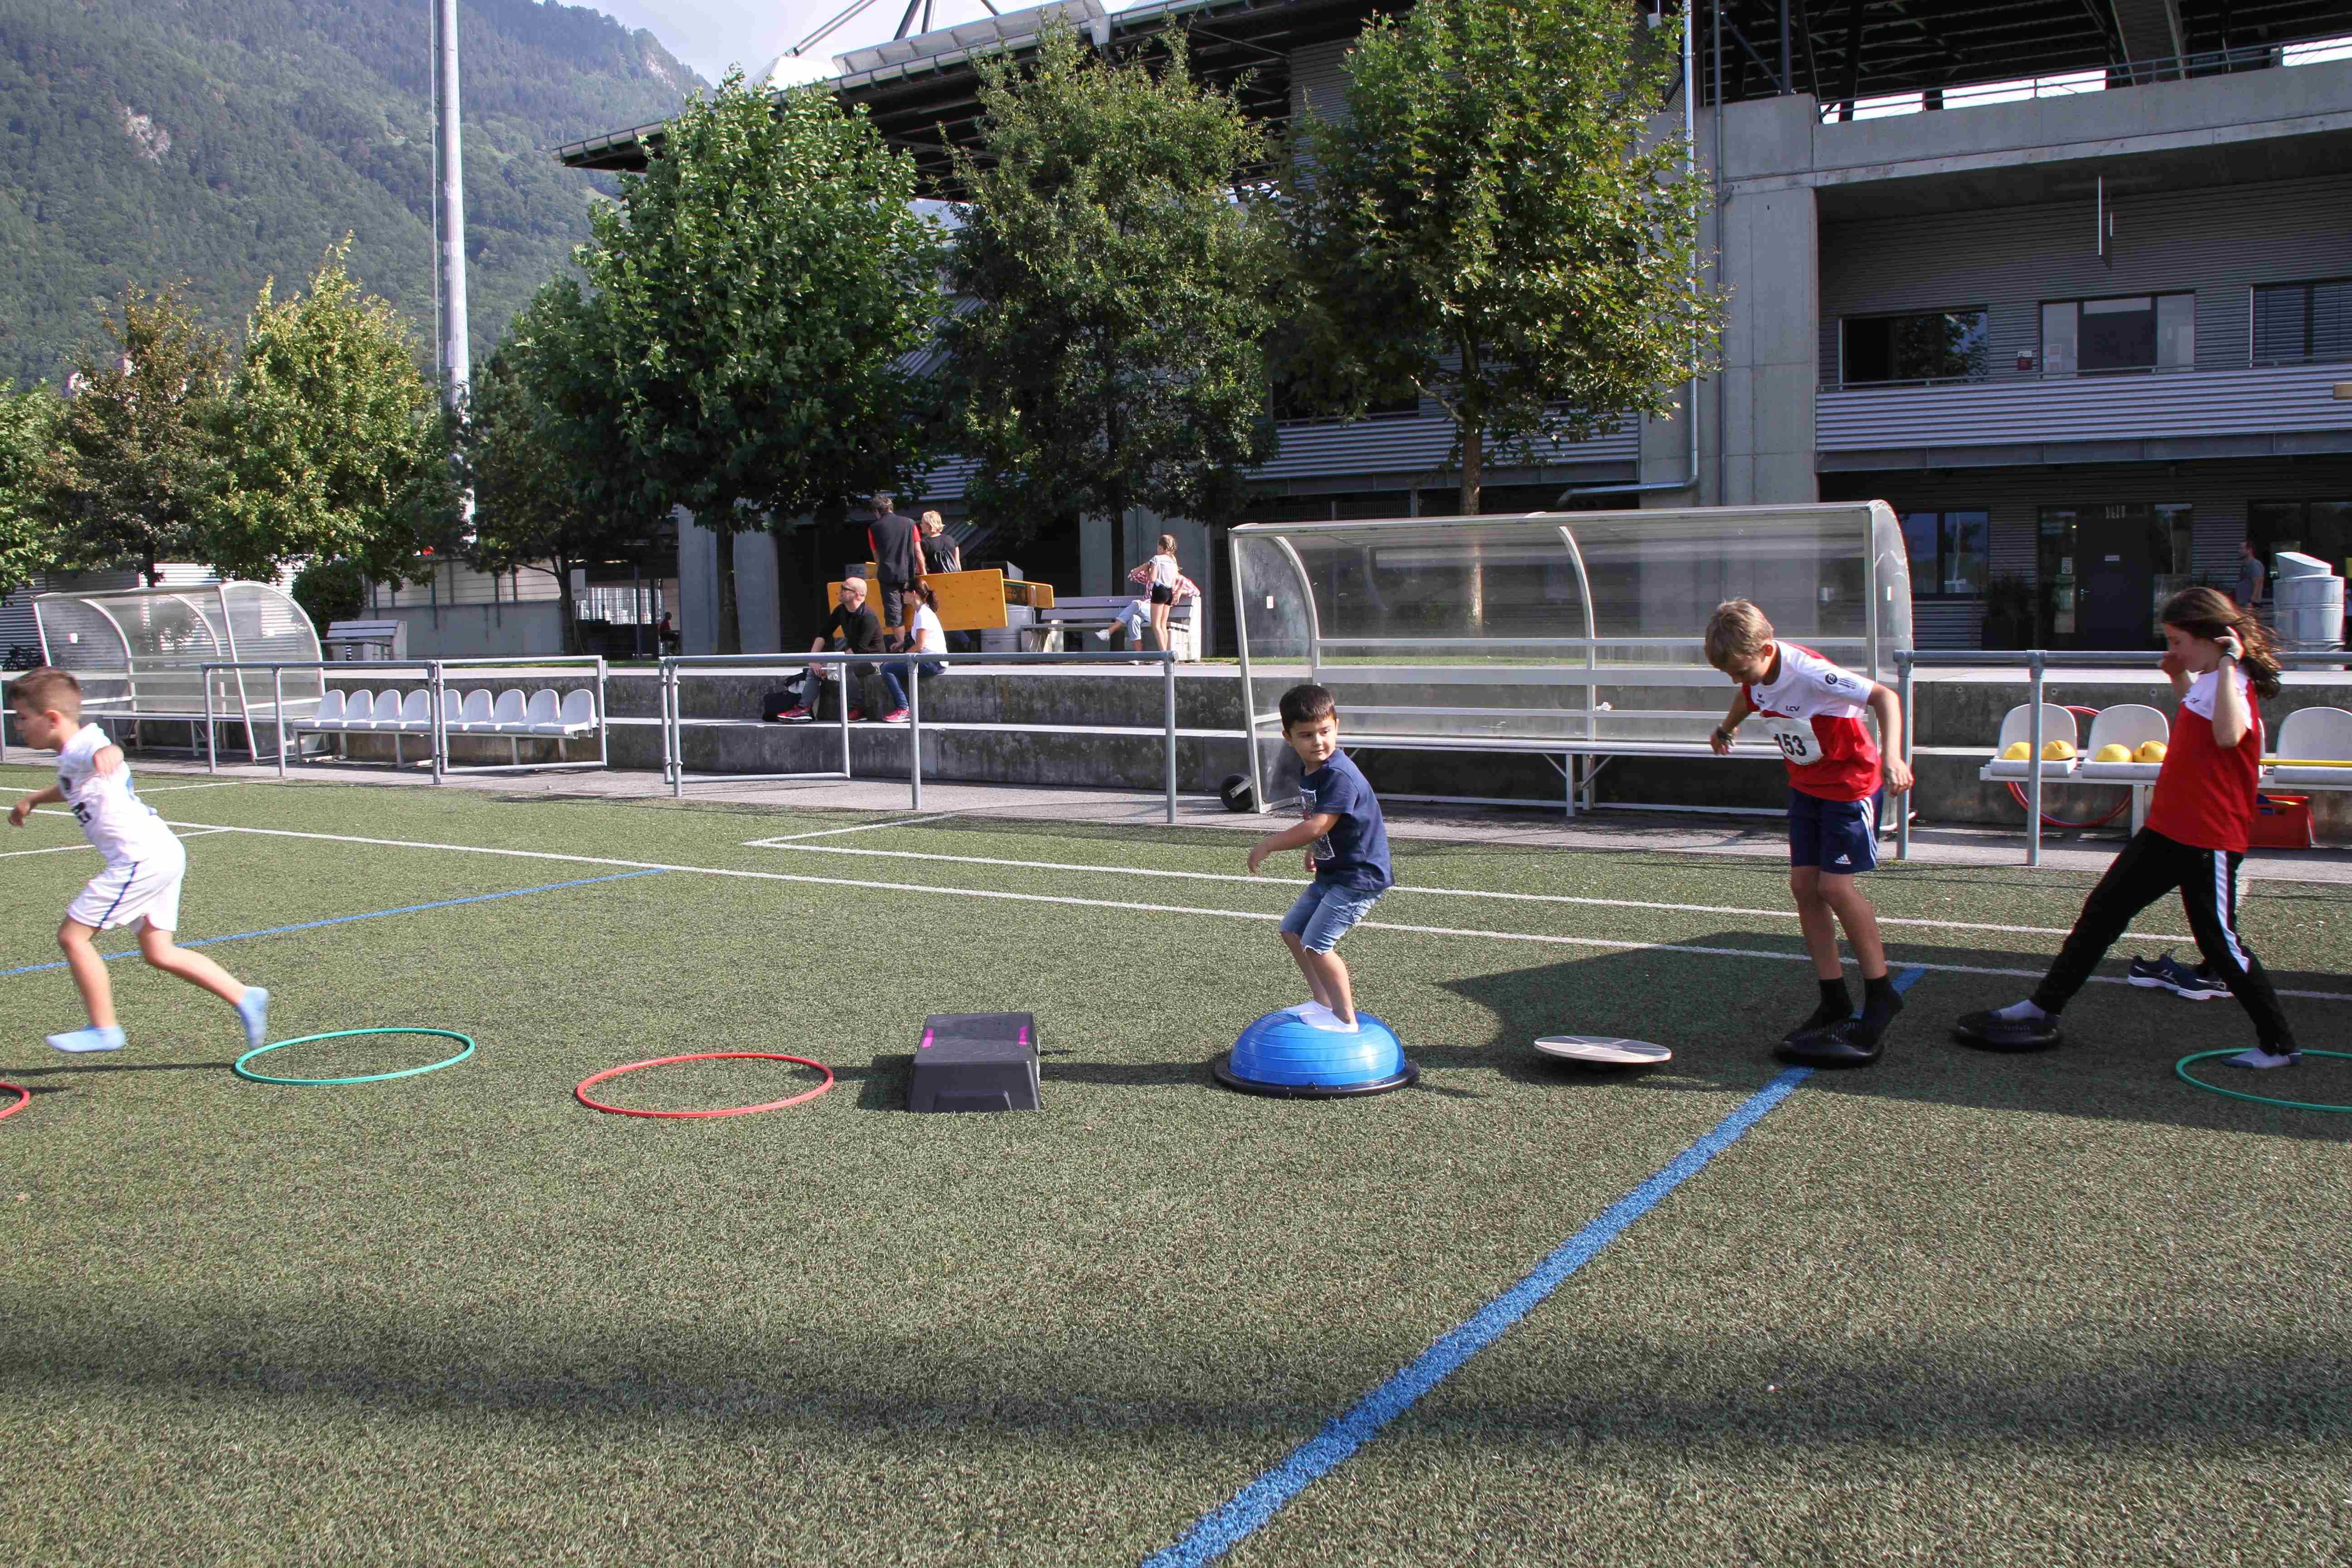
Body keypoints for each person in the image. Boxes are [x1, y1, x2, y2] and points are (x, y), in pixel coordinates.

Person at [1956, 587, 2301, 1069]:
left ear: (2211, 639)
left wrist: (2229, 662)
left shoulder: (2233, 680)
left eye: (2178, 641)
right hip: (2169, 830)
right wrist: (2180, 675)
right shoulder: (2209, 680)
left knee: (2220, 943)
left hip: (2208, 839)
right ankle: (2041, 1008)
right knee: (2102, 914)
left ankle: (2278, 1045)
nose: (2171, 649)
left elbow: (2227, 735)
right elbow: (2202, 720)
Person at [7, 667, 270, 1055]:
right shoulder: (72, 756)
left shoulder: (85, 745)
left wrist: (110, 754)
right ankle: (245, 996)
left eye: (21, 718)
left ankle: (104, 1029)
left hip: (139, 859)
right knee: (159, 952)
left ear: (51, 719)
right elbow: (69, 785)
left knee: (72, 937)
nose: (17, 726)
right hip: (161, 849)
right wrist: (32, 799)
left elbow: (105, 752)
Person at [1705, 599, 1915, 1067]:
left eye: (1741, 671)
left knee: (1834, 888)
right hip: (1806, 788)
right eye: (1731, 675)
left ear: (1766, 649)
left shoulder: (1811, 672)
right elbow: (1749, 697)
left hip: (1849, 789)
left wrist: (1894, 756)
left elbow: (1885, 698)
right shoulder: (1754, 675)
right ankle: (1833, 997)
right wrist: (1726, 728)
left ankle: (1881, 993)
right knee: (1804, 887)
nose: (1739, 681)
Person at [1245, 683, 1392, 1034]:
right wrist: (1317, 850)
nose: (1318, 742)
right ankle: (1323, 1002)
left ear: (1337, 726)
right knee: (1292, 930)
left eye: (1325, 731)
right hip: (1333, 873)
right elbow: (1329, 822)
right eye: (1307, 735)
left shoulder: (1339, 774)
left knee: (1317, 944)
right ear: (1288, 738)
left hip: (1358, 878)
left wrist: (1270, 844)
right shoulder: (1312, 770)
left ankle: (1345, 1019)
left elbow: (1318, 825)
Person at [778, 574, 885, 723]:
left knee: (845, 668)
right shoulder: (841, 610)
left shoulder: (868, 617)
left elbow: (858, 650)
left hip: (874, 660)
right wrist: (813, 659)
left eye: (844, 589)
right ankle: (804, 709)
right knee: (814, 670)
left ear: (857, 595)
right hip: (853, 656)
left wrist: (832, 665)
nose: (840, 591)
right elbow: (824, 634)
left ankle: (857, 709)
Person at [880, 583, 952, 724]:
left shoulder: (923, 614)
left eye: (904, 591)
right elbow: (920, 640)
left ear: (913, 593)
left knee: (887, 668)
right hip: (930, 660)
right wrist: (902, 644)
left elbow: (920, 645)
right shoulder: (921, 612)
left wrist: (902, 657)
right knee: (887, 666)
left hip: (934, 663)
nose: (902, 594)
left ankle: (903, 709)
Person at [867, 492, 926, 645]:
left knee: (895, 614)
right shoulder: (910, 524)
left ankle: (902, 645)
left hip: (888, 577)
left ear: (877, 512)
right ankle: (920, 642)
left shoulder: (874, 528)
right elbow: (918, 551)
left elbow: (877, 557)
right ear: (891, 508)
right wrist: (924, 572)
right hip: (909, 575)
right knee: (916, 607)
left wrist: (880, 571)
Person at [2235, 539, 2266, 611]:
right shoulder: (2245, 565)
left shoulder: (2254, 565)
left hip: (2250, 606)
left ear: (2249, 550)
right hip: (2243, 605)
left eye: (2241, 549)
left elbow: (2258, 585)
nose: (2239, 551)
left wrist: (2251, 602)